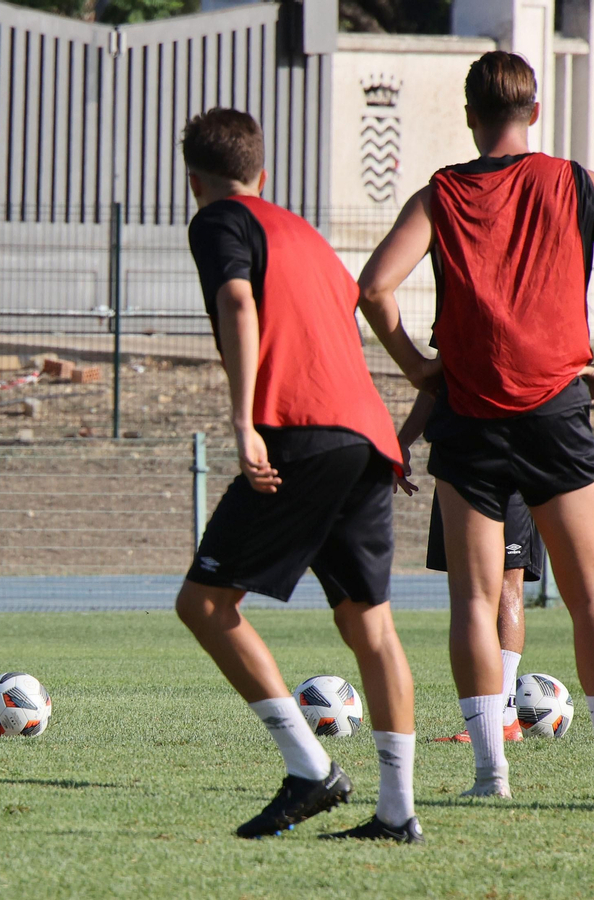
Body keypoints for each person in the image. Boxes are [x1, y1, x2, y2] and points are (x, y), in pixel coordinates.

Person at [358, 51, 594, 801]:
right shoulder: (576, 184)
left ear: (470, 116)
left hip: (468, 416)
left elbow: (373, 288)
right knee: (590, 593)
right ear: (534, 113)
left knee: (472, 600)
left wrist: (417, 369)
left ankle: (487, 775)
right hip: (556, 411)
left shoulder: (441, 194)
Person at [176, 108, 421, 843]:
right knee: (367, 624)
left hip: (301, 433)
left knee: (206, 605)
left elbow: (239, 300)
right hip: (367, 439)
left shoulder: (220, 220)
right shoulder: (307, 234)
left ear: (194, 182)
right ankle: (397, 812)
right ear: (265, 173)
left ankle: (311, 769)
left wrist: (245, 419)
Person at [396, 393, 543, 744]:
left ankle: (500, 718)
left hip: (512, 447)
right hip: (458, 453)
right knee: (470, 591)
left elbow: (430, 375)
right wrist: (400, 441)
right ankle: (496, 720)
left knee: (506, 584)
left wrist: (402, 440)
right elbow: (438, 376)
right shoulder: (452, 335)